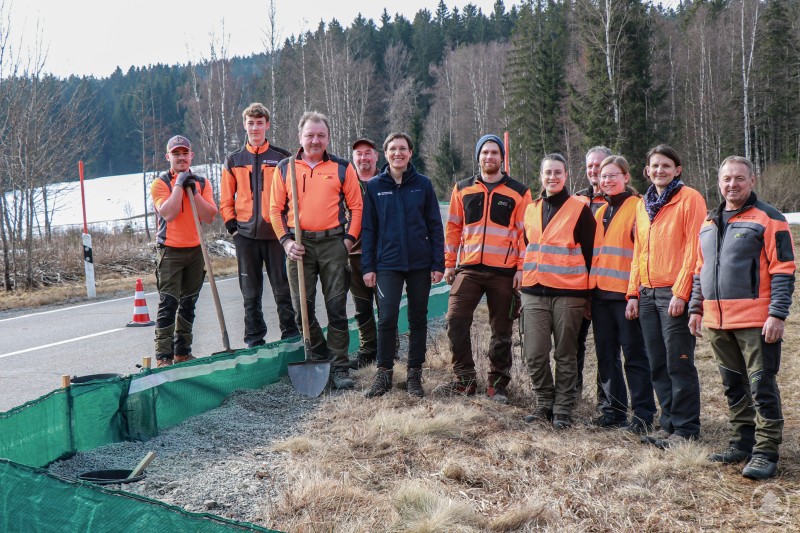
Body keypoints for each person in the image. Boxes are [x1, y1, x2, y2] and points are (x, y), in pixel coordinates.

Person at [689, 156, 795, 480]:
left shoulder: (770, 218)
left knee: (762, 385)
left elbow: (783, 270)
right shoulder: (708, 223)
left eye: (739, 178)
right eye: (727, 179)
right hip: (718, 323)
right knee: (733, 386)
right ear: (719, 182)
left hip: (756, 321)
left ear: (752, 180)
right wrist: (695, 308)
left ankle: (766, 451)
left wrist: (777, 315)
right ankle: (742, 442)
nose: (732, 184)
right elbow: (699, 270)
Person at [269, 111, 363, 390]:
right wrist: (286, 242)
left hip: (333, 243)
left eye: (321, 135)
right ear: (300, 137)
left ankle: (340, 366)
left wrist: (348, 241)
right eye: (310, 135)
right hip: (299, 246)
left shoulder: (342, 167)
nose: (315, 140)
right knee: (302, 311)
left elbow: (356, 208)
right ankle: (321, 358)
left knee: (336, 308)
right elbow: (274, 210)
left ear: (328, 138)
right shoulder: (285, 168)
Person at [437, 134, 532, 403]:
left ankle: (497, 385)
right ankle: (465, 380)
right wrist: (449, 263)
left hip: (504, 271)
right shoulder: (462, 189)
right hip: (469, 269)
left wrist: (521, 269)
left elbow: (524, 234)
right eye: (485, 152)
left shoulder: (519, 192)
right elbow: (453, 228)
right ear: (478, 156)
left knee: (502, 331)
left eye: (494, 152)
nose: (489, 157)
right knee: (455, 320)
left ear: (502, 158)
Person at [625, 145, 706, 448]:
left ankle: (686, 429)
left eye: (666, 166)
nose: (660, 170)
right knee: (658, 363)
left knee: (678, 362)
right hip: (647, 294)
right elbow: (639, 251)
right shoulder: (643, 204)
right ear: (647, 171)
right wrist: (633, 292)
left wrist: (682, 292)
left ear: (677, 170)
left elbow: (694, 249)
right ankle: (668, 423)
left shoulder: (690, 199)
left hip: (673, 294)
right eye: (655, 166)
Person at [361, 132, 445, 398]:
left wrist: (438, 263)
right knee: (386, 318)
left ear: (410, 153)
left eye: (403, 148)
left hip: (420, 263)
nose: (398, 153)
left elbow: (435, 226)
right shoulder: (374, 187)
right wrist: (368, 267)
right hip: (387, 264)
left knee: (418, 319)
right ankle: (384, 373)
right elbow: (368, 229)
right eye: (393, 149)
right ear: (385, 154)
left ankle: (414, 375)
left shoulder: (423, 184)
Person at [520, 153, 596, 429]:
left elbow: (591, 255)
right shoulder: (531, 209)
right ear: (541, 176)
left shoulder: (580, 209)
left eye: (557, 172)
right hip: (533, 290)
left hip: (569, 293)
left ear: (566, 176)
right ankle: (544, 402)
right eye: (547, 172)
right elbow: (529, 245)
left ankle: (563, 408)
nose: (552, 177)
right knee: (534, 353)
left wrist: (589, 296)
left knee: (565, 353)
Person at [220, 103, 298, 348]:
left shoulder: (282, 158)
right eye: (251, 123)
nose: (255, 128)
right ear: (244, 125)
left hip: (277, 235)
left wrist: (288, 229)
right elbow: (225, 200)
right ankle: (254, 341)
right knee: (250, 293)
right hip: (245, 236)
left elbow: (292, 197)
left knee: (283, 290)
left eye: (259, 123)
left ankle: (291, 337)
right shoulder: (233, 160)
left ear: (267, 125)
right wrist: (233, 229)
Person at [589, 155, 656, 433]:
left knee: (634, 356)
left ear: (626, 177)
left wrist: (635, 294)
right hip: (600, 295)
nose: (607, 180)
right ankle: (613, 411)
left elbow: (642, 253)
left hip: (626, 296)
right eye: (603, 176)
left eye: (613, 175)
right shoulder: (600, 212)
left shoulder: (638, 206)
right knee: (606, 355)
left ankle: (642, 414)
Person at [150, 135, 218, 367]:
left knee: (189, 303)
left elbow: (209, 216)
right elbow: (168, 213)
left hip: (195, 251)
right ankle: (163, 356)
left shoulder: (202, 183)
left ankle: (182, 352)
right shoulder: (160, 184)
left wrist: (194, 191)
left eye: (184, 153)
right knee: (168, 303)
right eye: (176, 154)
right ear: (168, 157)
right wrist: (179, 184)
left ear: (191, 156)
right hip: (170, 251)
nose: (181, 157)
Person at [574, 146, 612, 398]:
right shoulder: (575, 200)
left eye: (599, 165)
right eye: (590, 166)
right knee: (573, 343)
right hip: (576, 283)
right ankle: (572, 394)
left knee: (606, 345)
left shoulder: (622, 201)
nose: (594, 170)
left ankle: (606, 400)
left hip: (607, 285)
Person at [347, 138, 380, 369]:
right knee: (362, 307)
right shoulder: (346, 182)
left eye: (368, 153)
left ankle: (389, 349)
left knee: (387, 305)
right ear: (353, 158)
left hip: (383, 255)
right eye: (359, 154)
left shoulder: (387, 181)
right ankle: (367, 350)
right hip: (354, 253)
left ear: (376, 156)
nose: (363, 158)